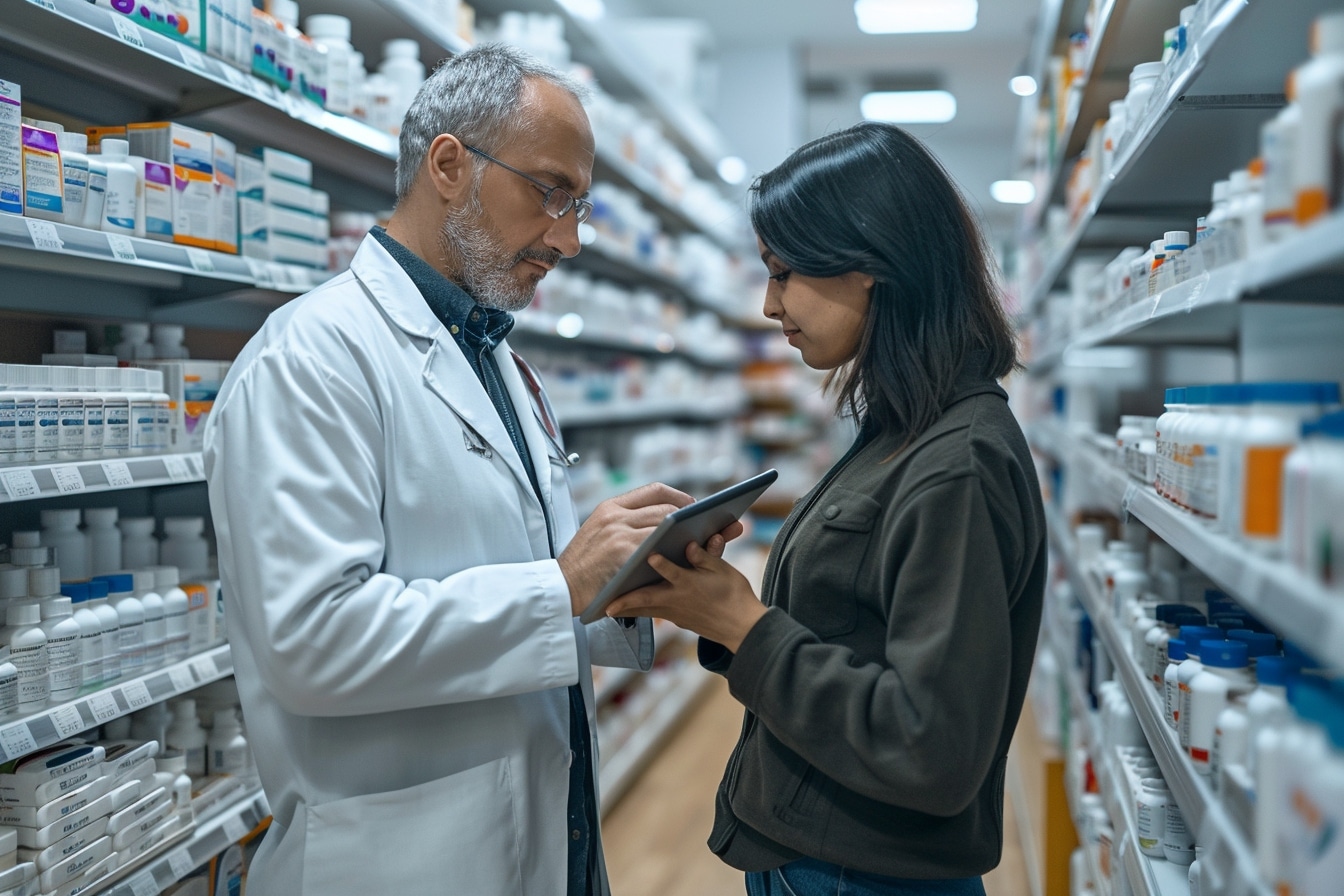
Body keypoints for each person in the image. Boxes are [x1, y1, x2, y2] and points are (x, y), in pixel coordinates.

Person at [204, 45, 739, 896]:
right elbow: (311, 642)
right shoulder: (311, 359)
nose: (567, 238)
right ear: (448, 164)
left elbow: (499, 572)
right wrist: (563, 584)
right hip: (398, 862)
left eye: (580, 204)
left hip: (545, 841)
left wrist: (631, 580)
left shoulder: (496, 358)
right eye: (551, 193)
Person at [605, 121, 1047, 896]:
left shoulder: (958, 463)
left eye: (782, 273)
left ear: (869, 264)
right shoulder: (902, 428)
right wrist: (711, 606)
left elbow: (932, 747)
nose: (769, 304)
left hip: (868, 874)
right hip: (824, 855)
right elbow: (857, 628)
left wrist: (744, 623)